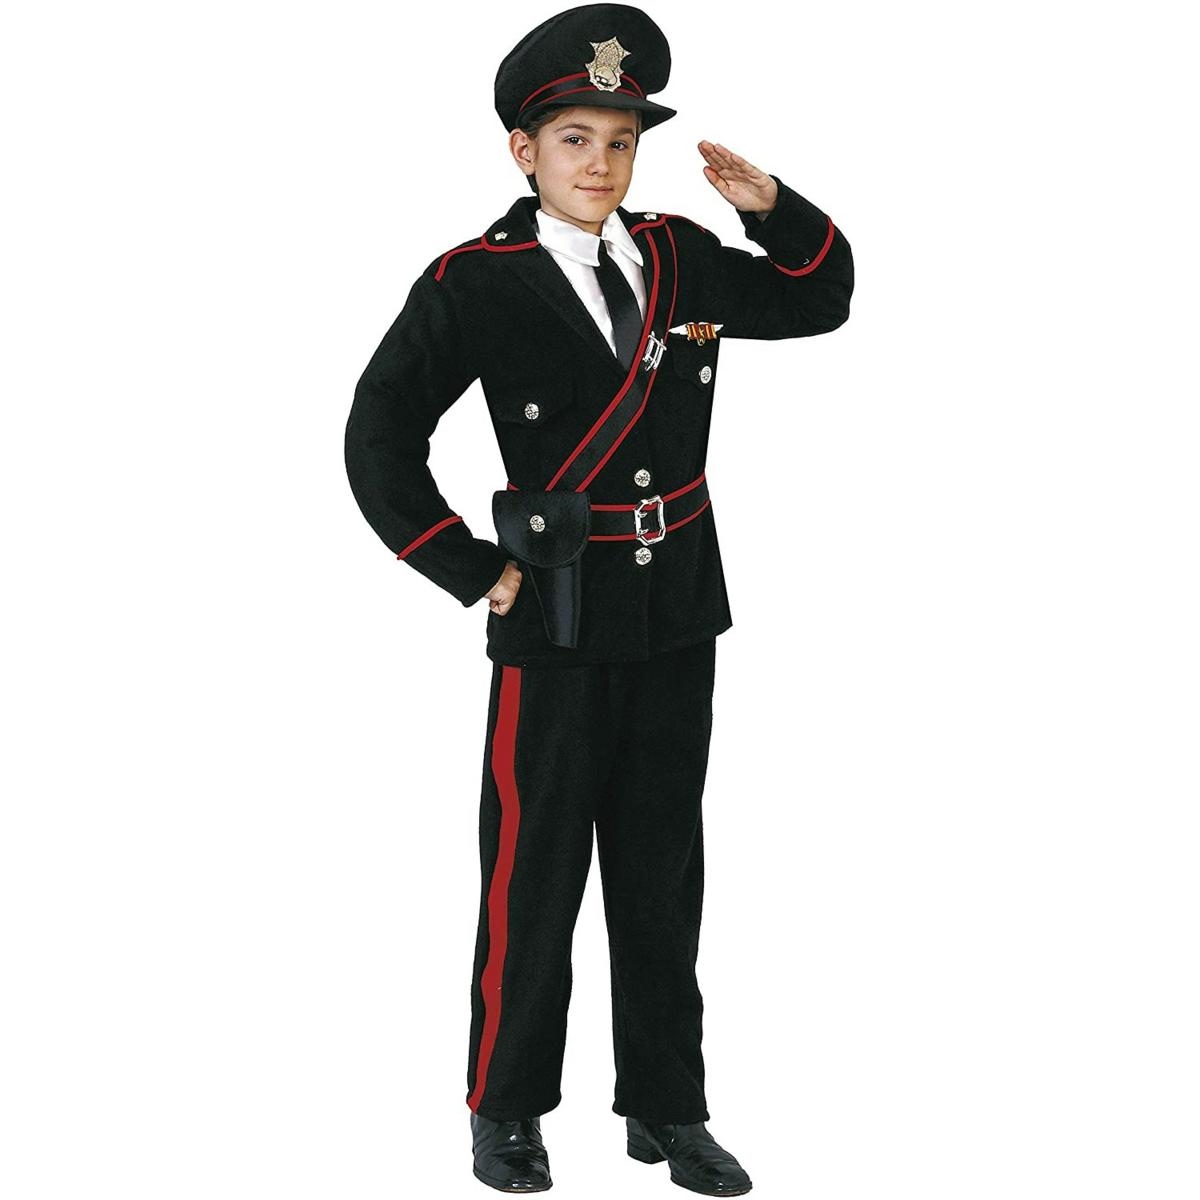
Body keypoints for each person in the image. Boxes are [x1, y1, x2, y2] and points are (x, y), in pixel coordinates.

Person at [344, 4, 853, 1193]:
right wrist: (470, 567)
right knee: (533, 875)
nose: (602, 163)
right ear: (524, 150)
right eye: (575, 139)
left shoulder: (680, 257)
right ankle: (506, 1109)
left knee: (663, 871)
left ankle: (668, 1109)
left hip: (677, 609)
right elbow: (377, 437)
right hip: (554, 617)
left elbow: (821, 299)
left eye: (620, 141)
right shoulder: (474, 282)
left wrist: (772, 209)